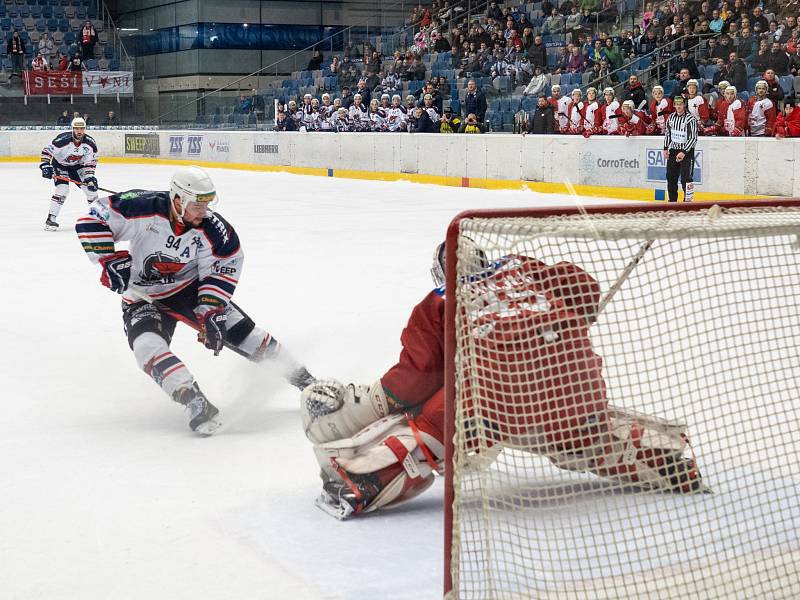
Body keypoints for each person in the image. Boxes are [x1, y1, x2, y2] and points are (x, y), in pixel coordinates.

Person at [300, 241, 705, 519]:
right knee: (587, 437)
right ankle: (666, 459)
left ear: (440, 271)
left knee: (430, 428)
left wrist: (383, 400)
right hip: (576, 383)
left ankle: (363, 481)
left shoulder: (438, 300)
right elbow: (586, 290)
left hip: (497, 398)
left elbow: (419, 376)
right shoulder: (521, 266)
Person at [74, 167, 316, 435]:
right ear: (178, 200)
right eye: (197, 205)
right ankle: (192, 399)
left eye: (207, 204)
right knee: (145, 347)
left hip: (189, 289)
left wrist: (211, 311)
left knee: (244, 334)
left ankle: (308, 383)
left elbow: (226, 264)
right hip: (142, 295)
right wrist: (109, 259)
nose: (204, 212)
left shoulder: (215, 229)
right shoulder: (141, 206)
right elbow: (90, 221)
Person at [39, 117, 99, 231]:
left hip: (78, 167)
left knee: (91, 191)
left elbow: (91, 161)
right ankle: (51, 218)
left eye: (82, 128)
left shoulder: (90, 143)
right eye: (77, 128)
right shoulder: (62, 140)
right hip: (60, 165)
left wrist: (89, 177)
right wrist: (45, 165)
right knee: (62, 189)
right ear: (72, 129)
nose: (79, 131)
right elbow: (47, 151)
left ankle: (97, 218)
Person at [663, 96, 698, 203]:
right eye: (676, 104)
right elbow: (668, 134)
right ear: (674, 105)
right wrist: (665, 148)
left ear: (684, 105)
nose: (678, 106)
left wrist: (683, 152)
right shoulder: (671, 118)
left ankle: (688, 202)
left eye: (681, 104)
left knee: (686, 179)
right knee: (670, 177)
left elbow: (693, 138)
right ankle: (672, 202)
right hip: (673, 151)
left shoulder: (690, 119)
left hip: (686, 152)